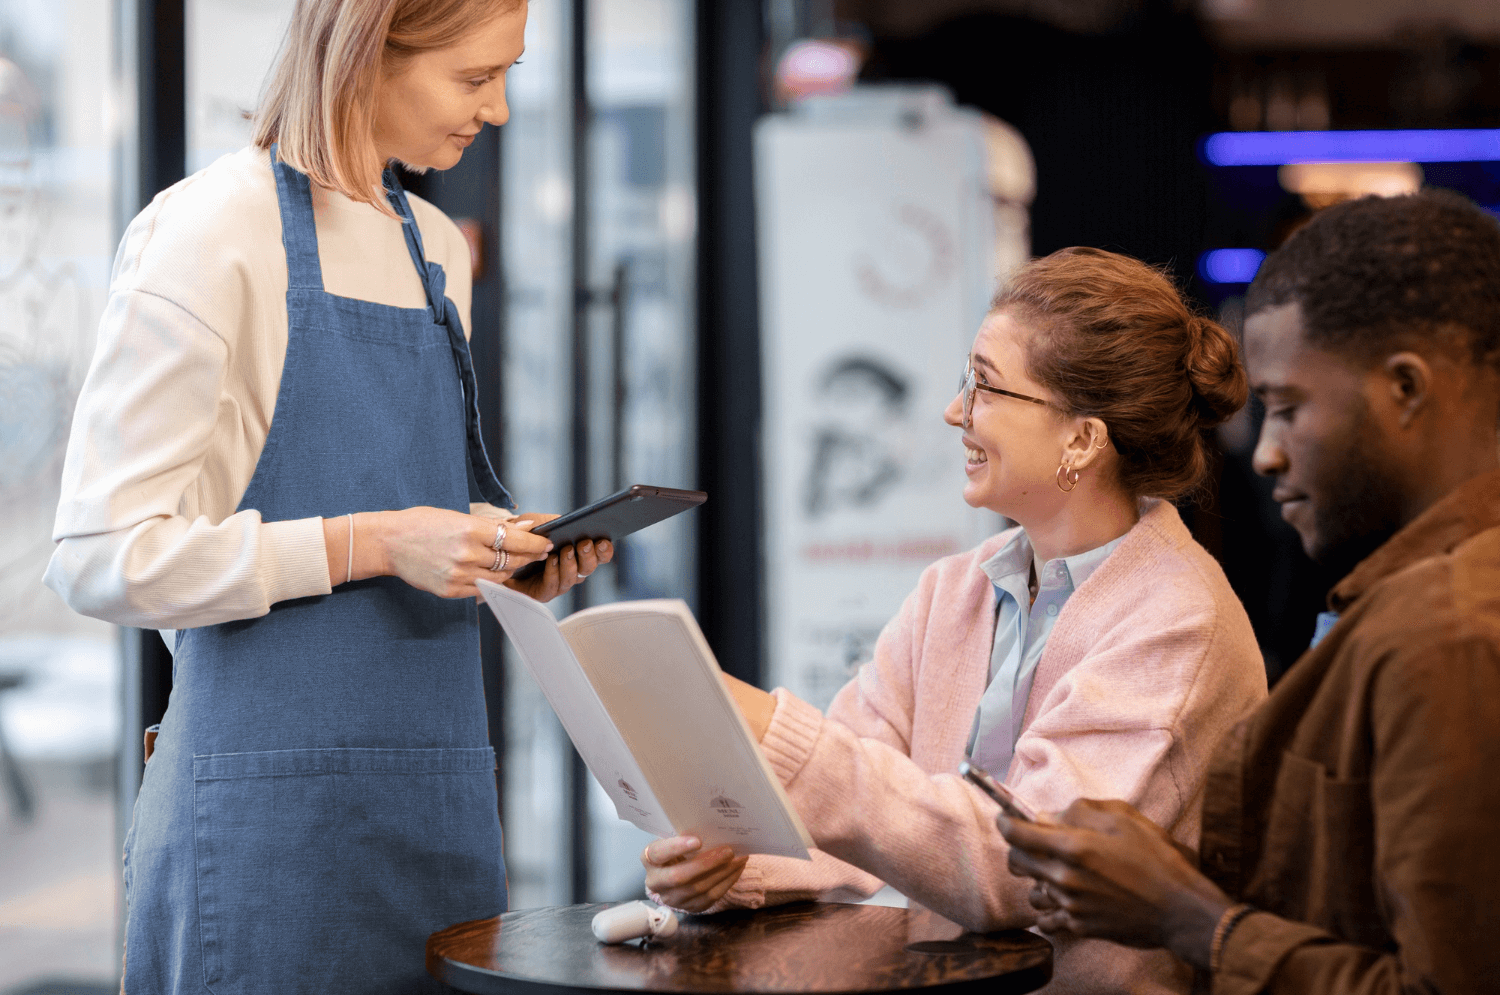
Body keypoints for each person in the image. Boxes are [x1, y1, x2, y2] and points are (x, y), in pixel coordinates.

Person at [44, 1, 612, 992]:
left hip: (438, 813)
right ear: (367, 53)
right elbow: (98, 555)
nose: (499, 109)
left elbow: (410, 516)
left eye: (507, 75)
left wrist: (495, 557)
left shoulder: (437, 249)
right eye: (475, 78)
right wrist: (375, 543)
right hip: (263, 836)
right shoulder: (209, 232)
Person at [646, 247, 1268, 993]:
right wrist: (735, 862)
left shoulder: (1178, 621)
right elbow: (859, 821)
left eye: (985, 386)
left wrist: (776, 731)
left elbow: (1020, 866)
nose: (954, 411)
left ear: (1082, 438)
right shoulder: (955, 589)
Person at [999, 191, 1500, 995]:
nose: (1266, 453)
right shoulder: (1410, 600)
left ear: (1406, 388)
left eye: (1289, 408)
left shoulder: (1448, 628)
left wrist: (1191, 917)